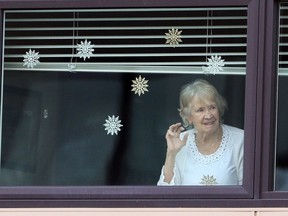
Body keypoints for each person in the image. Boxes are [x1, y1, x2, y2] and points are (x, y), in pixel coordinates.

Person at [157, 79, 244, 186]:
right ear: (188, 117)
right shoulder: (181, 141)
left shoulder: (240, 140)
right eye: (200, 110)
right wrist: (171, 153)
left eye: (212, 107)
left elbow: (249, 192)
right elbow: (165, 193)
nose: (208, 115)